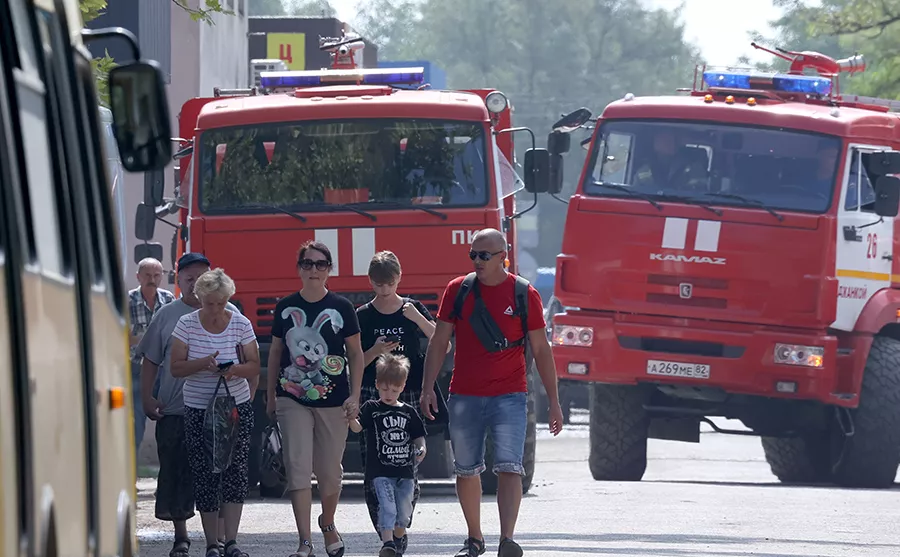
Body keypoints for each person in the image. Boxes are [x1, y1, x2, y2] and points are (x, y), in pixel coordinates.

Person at [420, 228, 564, 557]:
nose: (477, 261)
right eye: (473, 255)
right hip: (464, 395)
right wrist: (427, 387)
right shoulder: (458, 290)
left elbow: (541, 350)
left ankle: (507, 539)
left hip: (510, 396)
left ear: (503, 258)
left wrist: (554, 402)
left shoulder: (524, 293)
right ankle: (474, 538)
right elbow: (440, 341)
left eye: (484, 255)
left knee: (510, 467)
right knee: (467, 469)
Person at [266, 240, 364, 557]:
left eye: (320, 264)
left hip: (334, 400)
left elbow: (356, 354)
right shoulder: (285, 307)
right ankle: (304, 541)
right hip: (291, 398)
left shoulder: (342, 308)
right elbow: (276, 354)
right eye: (307, 263)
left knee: (330, 473)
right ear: (299, 268)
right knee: (297, 465)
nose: (313, 270)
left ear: (329, 269)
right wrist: (270, 394)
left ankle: (328, 521)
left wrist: (355, 394)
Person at [136, 253, 237, 557]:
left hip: (217, 411)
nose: (195, 284)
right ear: (177, 280)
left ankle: (217, 540)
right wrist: (147, 397)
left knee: (218, 474)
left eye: (202, 277)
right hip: (176, 409)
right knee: (176, 472)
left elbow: (249, 359)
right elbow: (151, 359)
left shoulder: (231, 312)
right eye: (189, 278)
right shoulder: (167, 315)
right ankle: (181, 537)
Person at [356, 251, 447, 548]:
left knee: (406, 465)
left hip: (406, 392)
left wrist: (417, 317)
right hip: (373, 394)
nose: (385, 290)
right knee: (373, 464)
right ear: (371, 282)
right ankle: (386, 535)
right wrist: (375, 351)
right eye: (380, 285)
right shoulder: (363, 315)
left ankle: (400, 525)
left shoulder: (412, 308)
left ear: (399, 278)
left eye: (390, 284)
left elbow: (441, 344)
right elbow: (353, 361)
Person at [170, 268, 260, 557]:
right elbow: (176, 367)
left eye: (221, 303)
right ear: (199, 299)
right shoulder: (186, 324)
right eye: (210, 303)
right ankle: (211, 543)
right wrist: (202, 363)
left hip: (235, 407)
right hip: (199, 409)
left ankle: (231, 541)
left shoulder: (241, 324)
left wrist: (232, 370)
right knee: (205, 475)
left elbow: (254, 366)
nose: (216, 309)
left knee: (235, 473)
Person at [349, 354, 427, 557]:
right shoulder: (371, 408)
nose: (389, 394)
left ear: (402, 387)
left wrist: (421, 449)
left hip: (405, 472)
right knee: (387, 507)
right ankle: (388, 544)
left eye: (394, 389)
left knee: (404, 511)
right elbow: (358, 429)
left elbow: (419, 436)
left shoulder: (409, 412)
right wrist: (350, 418)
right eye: (384, 389)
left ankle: (398, 536)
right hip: (380, 471)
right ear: (377, 385)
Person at [129, 257, 175, 454]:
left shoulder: (169, 300)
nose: (152, 279)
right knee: (136, 425)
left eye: (157, 275)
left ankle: (168, 478)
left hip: (165, 370)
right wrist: (151, 340)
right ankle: (132, 475)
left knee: (170, 422)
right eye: (147, 275)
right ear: (138, 277)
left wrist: (142, 339)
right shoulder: (128, 301)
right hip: (137, 369)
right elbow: (121, 335)